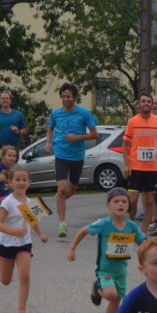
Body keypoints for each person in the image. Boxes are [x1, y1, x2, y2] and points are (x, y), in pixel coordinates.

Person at [68, 187, 147, 313]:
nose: (120, 204)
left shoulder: (132, 226)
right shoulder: (104, 224)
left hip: (121, 271)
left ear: (129, 205)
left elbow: (142, 243)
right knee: (111, 295)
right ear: (108, 206)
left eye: (124, 201)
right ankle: (98, 289)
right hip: (105, 269)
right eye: (116, 201)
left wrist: (151, 254)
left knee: (116, 300)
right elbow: (83, 231)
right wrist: (72, 249)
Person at [0, 166, 49, 313]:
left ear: (29, 183)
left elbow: (34, 221)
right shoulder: (7, 202)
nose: (21, 182)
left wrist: (41, 234)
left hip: (24, 243)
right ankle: (1, 270)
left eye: (24, 180)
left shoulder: (31, 203)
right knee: (5, 281)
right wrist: (13, 232)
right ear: (10, 182)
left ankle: (22, 311)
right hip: (6, 243)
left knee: (24, 276)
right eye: (17, 180)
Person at [45, 83, 98, 238]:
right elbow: (50, 127)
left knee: (72, 189)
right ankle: (62, 224)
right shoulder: (56, 113)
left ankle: (59, 200)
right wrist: (48, 142)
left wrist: (76, 137)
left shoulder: (84, 113)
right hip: (61, 154)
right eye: (63, 96)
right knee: (62, 188)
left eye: (68, 96)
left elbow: (94, 134)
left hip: (77, 156)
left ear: (74, 98)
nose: (66, 99)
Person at [123, 94, 157, 234]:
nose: (146, 103)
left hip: (151, 168)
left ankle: (143, 232)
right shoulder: (132, 121)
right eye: (143, 101)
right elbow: (125, 144)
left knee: (149, 201)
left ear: (152, 104)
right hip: (135, 167)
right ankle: (131, 227)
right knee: (132, 200)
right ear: (139, 104)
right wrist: (127, 164)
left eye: (149, 101)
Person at [0, 145, 18, 225]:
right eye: (9, 155)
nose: (12, 158)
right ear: (3, 157)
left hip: (7, 191)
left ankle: (5, 220)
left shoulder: (14, 168)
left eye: (14, 156)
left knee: (8, 204)